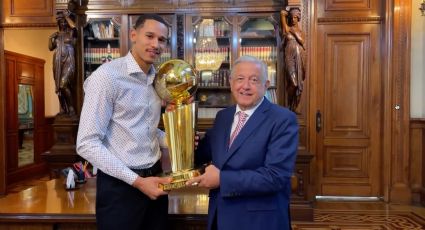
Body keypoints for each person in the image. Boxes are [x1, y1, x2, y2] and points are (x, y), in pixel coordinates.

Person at [76, 14, 172, 230]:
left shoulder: (158, 79)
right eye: (150, 36)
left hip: (155, 178)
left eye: (162, 39)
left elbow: (145, 129)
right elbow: (86, 143)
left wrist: (174, 140)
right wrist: (137, 181)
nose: (156, 44)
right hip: (120, 187)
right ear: (133, 35)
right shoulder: (106, 77)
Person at [187, 55, 299, 230]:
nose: (245, 86)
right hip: (221, 217)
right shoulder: (223, 117)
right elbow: (201, 155)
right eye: (240, 79)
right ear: (231, 83)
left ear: (266, 85)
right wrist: (184, 134)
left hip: (259, 222)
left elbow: (275, 177)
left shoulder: (283, 119)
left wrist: (222, 179)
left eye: (254, 80)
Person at [48, 10, 77, 116]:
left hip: (69, 61)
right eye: (61, 22)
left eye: (65, 22)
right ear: (59, 23)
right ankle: (64, 109)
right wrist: (51, 38)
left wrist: (66, 16)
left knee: (63, 84)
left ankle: (71, 107)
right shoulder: (57, 35)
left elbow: (74, 27)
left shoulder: (70, 32)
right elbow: (51, 48)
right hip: (58, 61)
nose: (63, 24)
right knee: (59, 88)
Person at [281, 8, 306, 113]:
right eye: (291, 17)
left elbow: (301, 40)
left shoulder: (300, 32)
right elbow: (282, 14)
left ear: (298, 18)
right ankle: (289, 103)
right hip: (289, 57)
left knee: (298, 83)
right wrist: (283, 15)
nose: (293, 19)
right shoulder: (287, 29)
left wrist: (293, 32)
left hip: (299, 57)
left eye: (295, 17)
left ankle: (292, 106)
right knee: (294, 83)